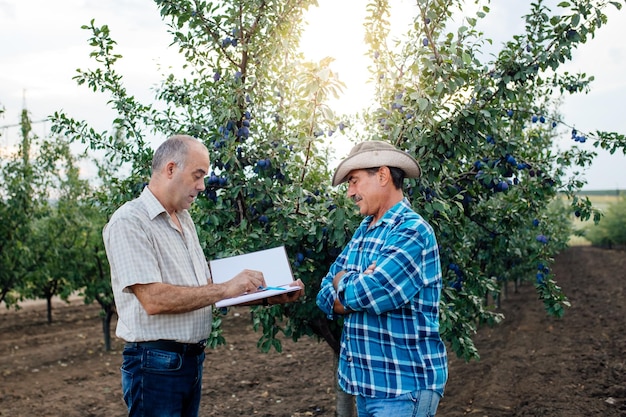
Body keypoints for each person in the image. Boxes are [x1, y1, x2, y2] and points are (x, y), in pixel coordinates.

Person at [102, 134, 304, 417]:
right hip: (155, 365)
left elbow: (203, 290)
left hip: (188, 361)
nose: (202, 186)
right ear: (170, 169)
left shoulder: (184, 218)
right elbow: (153, 299)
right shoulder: (130, 221)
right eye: (198, 175)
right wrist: (224, 288)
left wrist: (267, 295)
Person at [316, 140, 448, 417]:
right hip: (369, 386)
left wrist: (345, 281)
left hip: (403, 388)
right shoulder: (364, 231)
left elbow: (374, 292)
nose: (350, 192)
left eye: (354, 181)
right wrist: (352, 281)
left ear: (383, 175)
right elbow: (324, 295)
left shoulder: (412, 231)